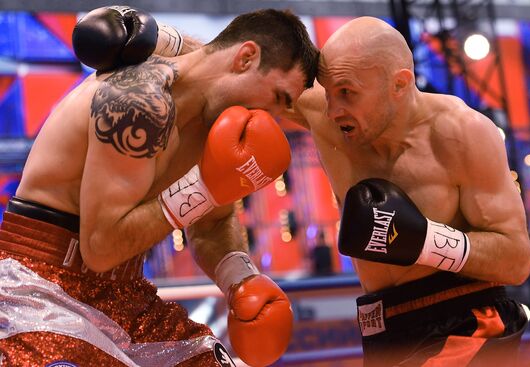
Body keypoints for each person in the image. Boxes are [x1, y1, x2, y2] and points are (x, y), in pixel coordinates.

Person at [0, 6, 318, 367]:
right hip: (38, 286)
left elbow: (212, 223)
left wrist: (240, 278)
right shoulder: (140, 100)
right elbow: (100, 247)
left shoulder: (218, 126)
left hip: (124, 294)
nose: (273, 117)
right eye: (278, 98)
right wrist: (205, 188)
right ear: (246, 57)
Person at [285, 16, 530, 366]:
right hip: (382, 326)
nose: (333, 109)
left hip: (466, 318)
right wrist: (175, 49)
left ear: (399, 84)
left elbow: (517, 260)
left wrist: (424, 241)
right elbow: (237, 72)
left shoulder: (462, 133)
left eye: (347, 93)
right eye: (327, 92)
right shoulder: (327, 117)